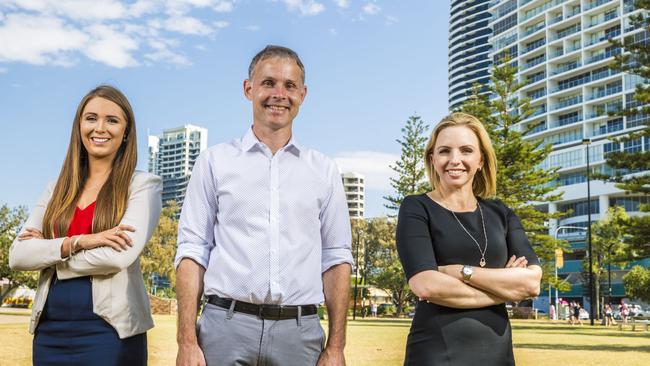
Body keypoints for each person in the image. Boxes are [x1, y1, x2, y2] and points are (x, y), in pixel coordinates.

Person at [174, 45, 353, 366]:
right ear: (248, 89)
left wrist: (337, 346)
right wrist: (186, 340)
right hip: (224, 329)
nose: (279, 94)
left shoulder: (323, 170)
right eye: (268, 83)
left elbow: (337, 257)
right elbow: (192, 250)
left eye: (290, 86)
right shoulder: (214, 162)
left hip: (300, 335)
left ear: (303, 94)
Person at [9, 85, 162, 365]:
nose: (99, 128)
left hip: (111, 332)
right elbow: (18, 255)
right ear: (79, 125)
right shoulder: (56, 190)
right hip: (49, 332)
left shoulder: (141, 186)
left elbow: (118, 257)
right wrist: (77, 242)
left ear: (126, 132)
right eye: (91, 118)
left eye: (112, 120)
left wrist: (49, 255)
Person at [396, 112, 542, 365]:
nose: (455, 160)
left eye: (466, 150)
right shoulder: (416, 207)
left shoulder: (501, 214)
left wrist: (462, 272)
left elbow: (531, 284)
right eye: (444, 151)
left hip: (498, 356)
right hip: (436, 354)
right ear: (432, 159)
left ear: (481, 160)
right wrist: (504, 290)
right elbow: (426, 285)